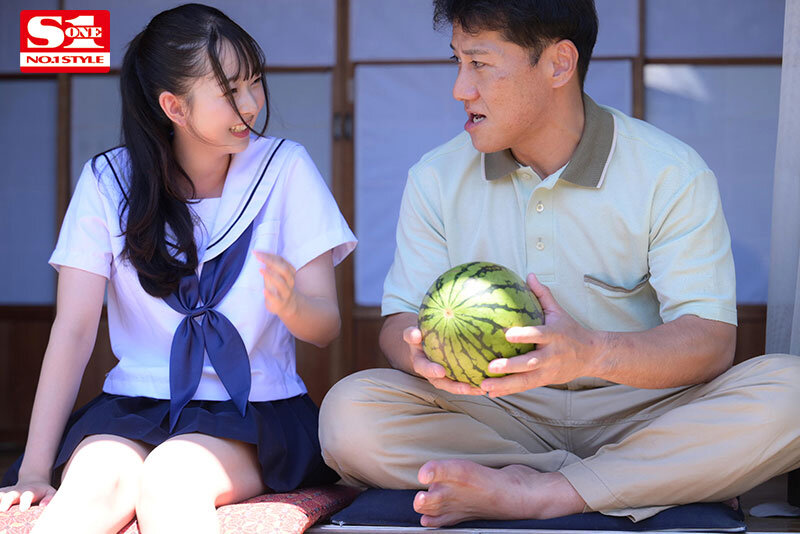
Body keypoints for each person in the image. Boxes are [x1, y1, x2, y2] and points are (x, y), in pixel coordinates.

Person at [318, 0, 800, 528]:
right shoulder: (435, 178)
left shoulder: (670, 173)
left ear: (558, 64)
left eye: (479, 63)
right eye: (457, 61)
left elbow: (710, 343)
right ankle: (636, 478)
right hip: (499, 413)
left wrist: (591, 352)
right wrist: (420, 354)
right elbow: (399, 323)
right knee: (349, 415)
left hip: (643, 410)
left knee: (792, 392)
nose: (460, 88)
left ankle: (542, 491)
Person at [0, 4, 355, 532]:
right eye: (230, 91)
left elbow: (326, 327)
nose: (252, 104)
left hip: (254, 410)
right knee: (92, 484)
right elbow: (73, 331)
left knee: (172, 476)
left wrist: (293, 306)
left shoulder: (286, 169)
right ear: (174, 107)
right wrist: (33, 469)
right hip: (134, 404)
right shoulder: (108, 181)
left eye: (255, 82)